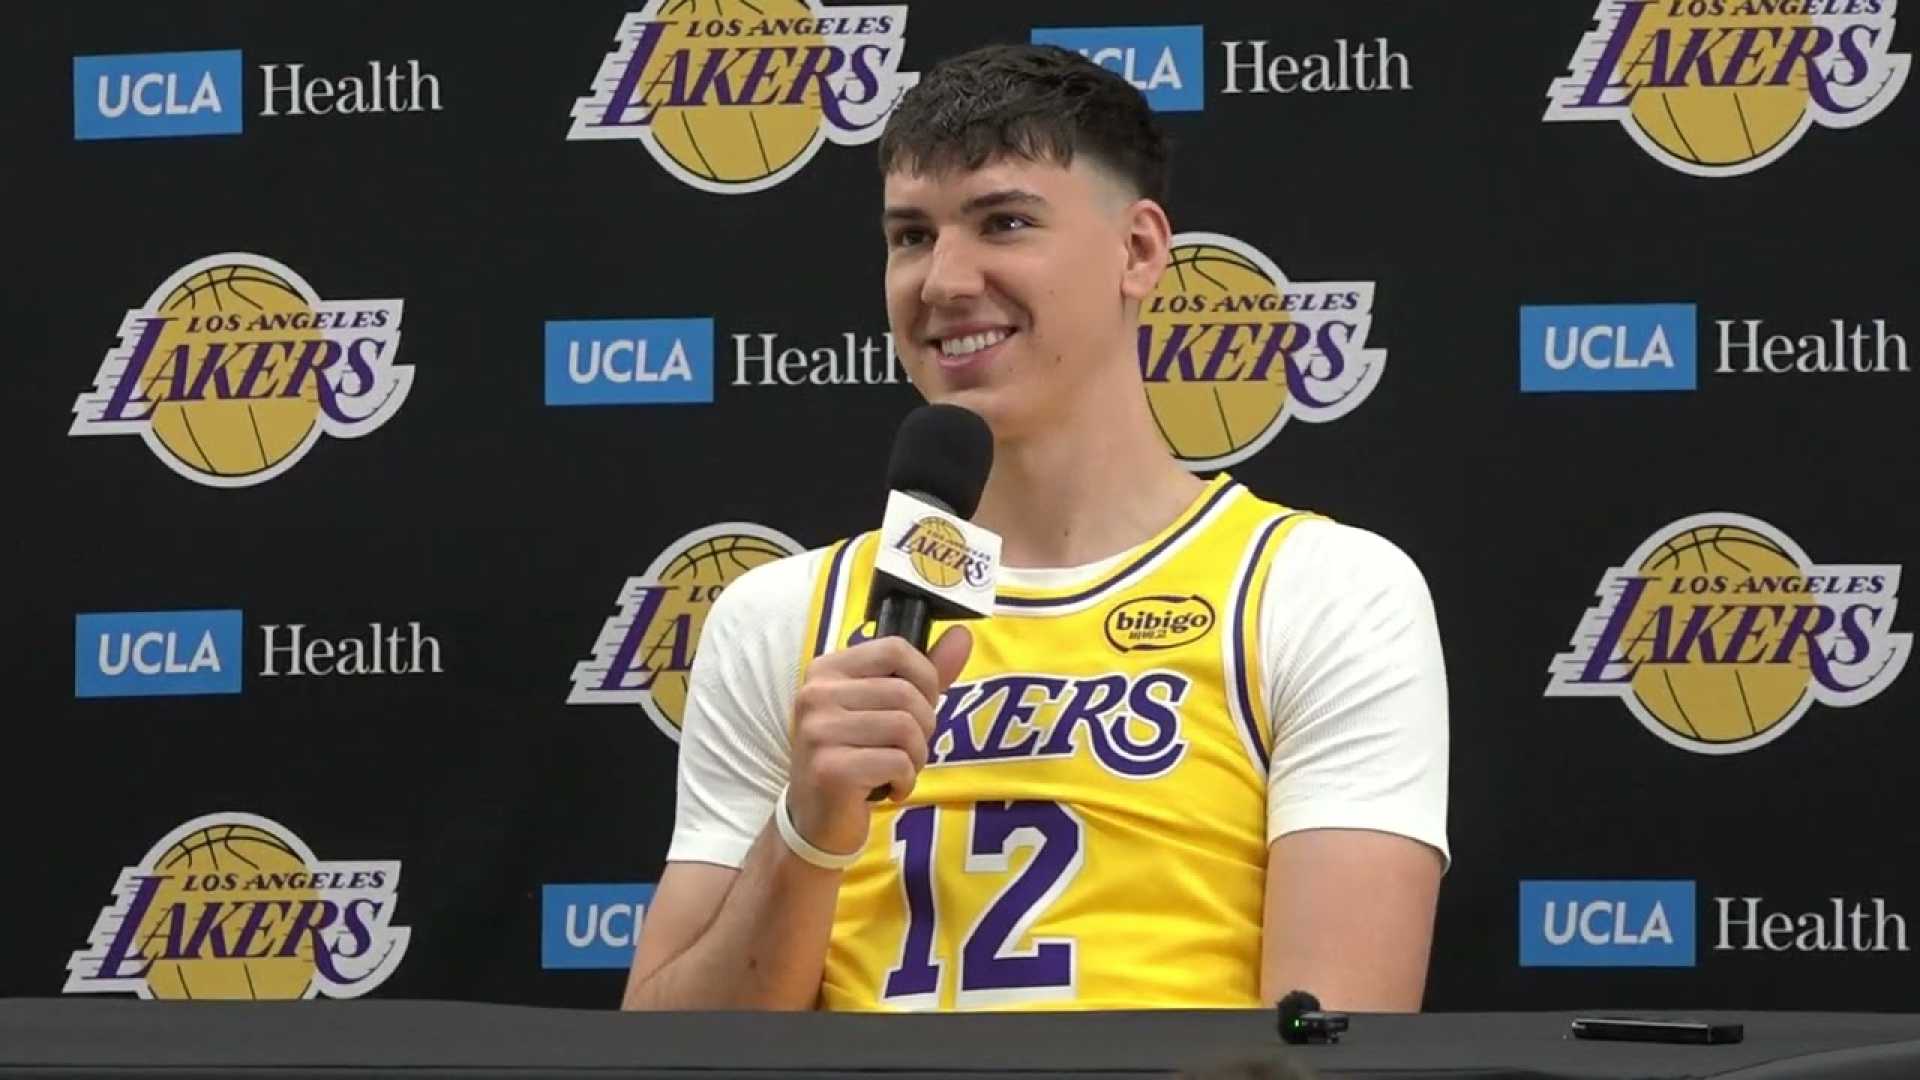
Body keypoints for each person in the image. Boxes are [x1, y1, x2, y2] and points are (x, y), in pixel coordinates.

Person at [621, 43, 1449, 1013]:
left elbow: (1334, 1051)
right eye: (910, 236)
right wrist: (809, 825)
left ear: (1139, 252)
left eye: (1003, 222)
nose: (944, 281)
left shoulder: (1324, 588)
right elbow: (669, 1050)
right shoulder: (780, 617)